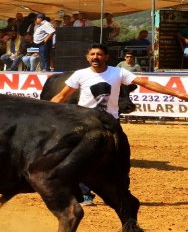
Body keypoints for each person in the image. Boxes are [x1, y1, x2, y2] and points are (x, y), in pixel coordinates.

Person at [50, 43, 188, 205]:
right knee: (82, 158)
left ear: (107, 57)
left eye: (99, 54)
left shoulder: (119, 72)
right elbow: (61, 97)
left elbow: (146, 83)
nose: (95, 57)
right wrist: (43, 114)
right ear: (87, 57)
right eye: (92, 54)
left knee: (120, 158)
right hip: (85, 122)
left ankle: (119, 192)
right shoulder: (80, 75)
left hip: (110, 122)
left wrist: (176, 93)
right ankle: (84, 194)